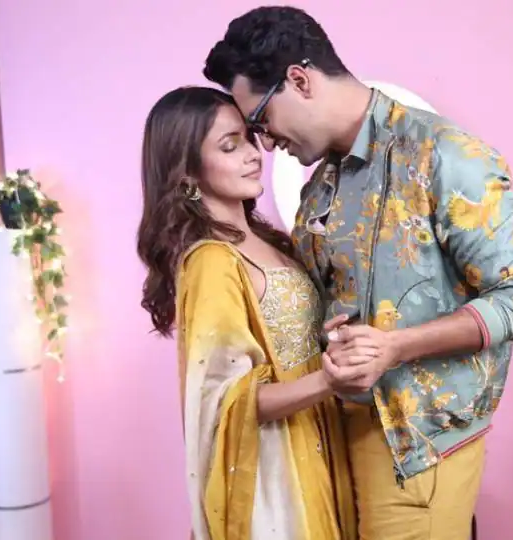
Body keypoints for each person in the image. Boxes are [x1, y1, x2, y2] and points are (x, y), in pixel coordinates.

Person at [203, 7, 513, 540]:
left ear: (299, 80)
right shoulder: (320, 186)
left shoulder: (443, 154)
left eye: (261, 121)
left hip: (419, 445)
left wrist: (396, 346)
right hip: (339, 441)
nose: (265, 143)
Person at [136, 86, 357, 540]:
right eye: (229, 146)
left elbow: (287, 342)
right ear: (187, 174)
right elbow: (227, 401)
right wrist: (328, 380)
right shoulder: (212, 261)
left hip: (317, 435)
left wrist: (328, 341)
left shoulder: (266, 241)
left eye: (249, 138)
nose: (253, 154)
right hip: (276, 469)